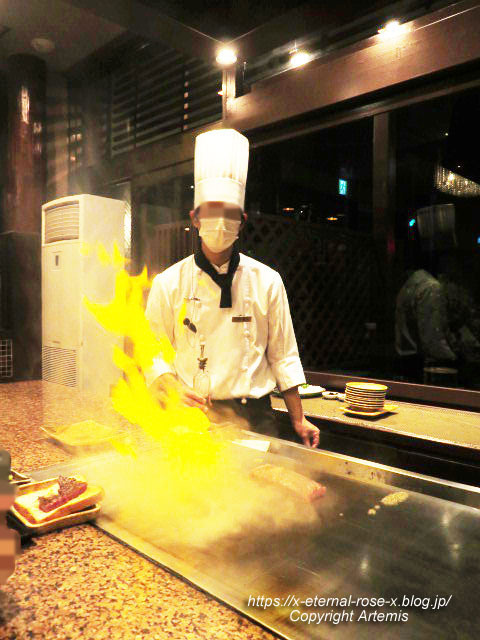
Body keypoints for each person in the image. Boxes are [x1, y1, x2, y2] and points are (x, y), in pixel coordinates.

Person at [145, 128, 320, 447]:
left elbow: (283, 355)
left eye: (229, 214)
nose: (221, 222)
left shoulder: (267, 280)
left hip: (255, 419)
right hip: (193, 417)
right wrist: (171, 386)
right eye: (212, 212)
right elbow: (152, 350)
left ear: (242, 220)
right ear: (195, 218)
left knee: (259, 481)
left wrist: (299, 418)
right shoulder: (168, 283)